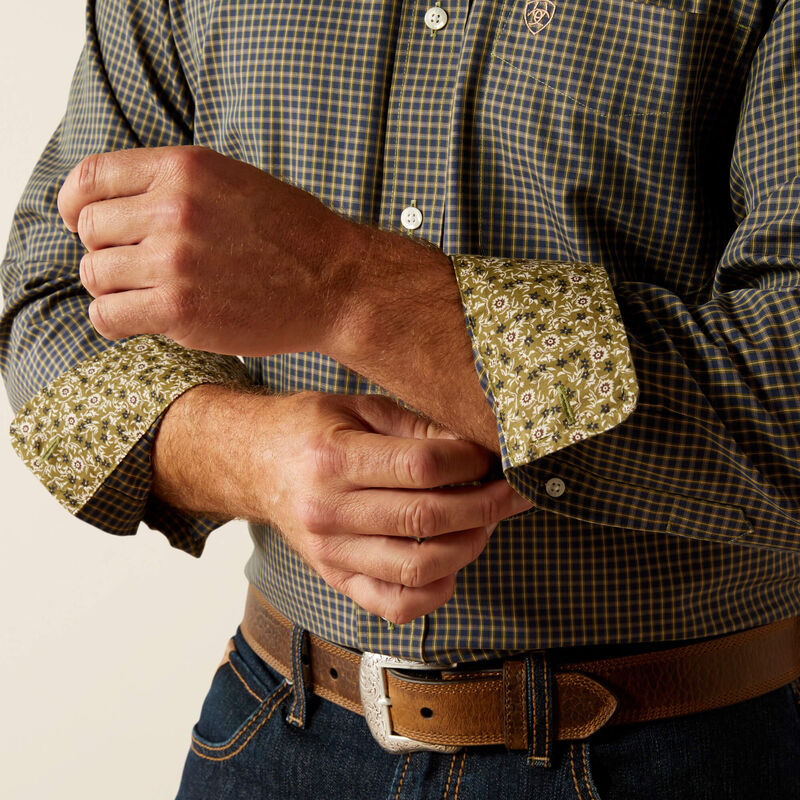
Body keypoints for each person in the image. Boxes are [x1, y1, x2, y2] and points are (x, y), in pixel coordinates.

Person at [2, 0, 800, 797]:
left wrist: (346, 286)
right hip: (277, 722)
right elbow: (50, 293)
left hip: (683, 750)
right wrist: (254, 457)